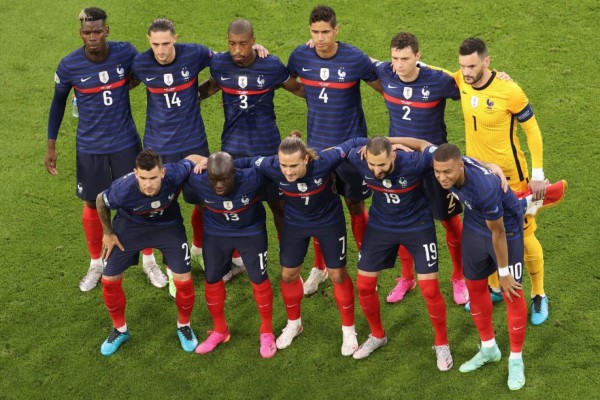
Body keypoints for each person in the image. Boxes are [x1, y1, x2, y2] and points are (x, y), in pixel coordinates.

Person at [44, 7, 165, 292]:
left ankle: (149, 259)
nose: (93, 37)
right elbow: (58, 102)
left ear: (107, 31)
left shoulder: (125, 53)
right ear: (80, 34)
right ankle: (95, 263)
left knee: (140, 195)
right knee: (91, 202)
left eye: (98, 31)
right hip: (90, 147)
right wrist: (51, 145)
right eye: (87, 33)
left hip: (125, 142)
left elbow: (151, 66)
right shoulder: (69, 65)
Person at [236, 132, 365, 356]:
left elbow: (353, 143)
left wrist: (389, 145)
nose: (287, 171)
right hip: (295, 224)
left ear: (306, 159)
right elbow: (246, 161)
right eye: (284, 165)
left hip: (329, 223)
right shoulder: (272, 166)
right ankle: (294, 324)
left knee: (337, 275)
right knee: (288, 275)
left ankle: (349, 330)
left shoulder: (324, 162)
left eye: (293, 165)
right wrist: (209, 162)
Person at [198, 18, 305, 282]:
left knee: (279, 207)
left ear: (253, 41)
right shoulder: (220, 63)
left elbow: (300, 88)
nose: (237, 51)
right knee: (231, 207)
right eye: (232, 44)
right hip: (232, 153)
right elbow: (208, 87)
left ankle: (289, 261)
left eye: (243, 44)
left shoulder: (270, 65)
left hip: (268, 151)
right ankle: (234, 261)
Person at [455, 37, 552, 324]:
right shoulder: (461, 79)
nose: (467, 71)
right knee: (489, 230)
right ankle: (497, 285)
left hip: (512, 178)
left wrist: (537, 175)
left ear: (487, 61)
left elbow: (532, 130)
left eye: (472, 65)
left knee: (523, 234)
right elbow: (434, 72)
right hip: (476, 176)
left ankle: (538, 294)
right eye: (462, 66)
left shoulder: (509, 91)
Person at [287, 5, 382, 295]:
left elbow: (384, 86)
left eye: (325, 32)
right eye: (315, 32)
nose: (320, 38)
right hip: (316, 151)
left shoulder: (354, 58)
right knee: (318, 207)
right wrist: (309, 92)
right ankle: (320, 268)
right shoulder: (300, 56)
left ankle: (367, 266)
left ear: (336, 30)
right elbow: (286, 79)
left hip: (353, 152)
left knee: (356, 206)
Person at [373, 32, 467, 305]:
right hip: (399, 165)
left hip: (436, 165)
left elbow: (471, 85)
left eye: (404, 59)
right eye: (394, 58)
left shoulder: (438, 81)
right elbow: (358, 60)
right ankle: (406, 277)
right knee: (401, 221)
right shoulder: (385, 72)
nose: (399, 65)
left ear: (418, 56)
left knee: (450, 221)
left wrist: (498, 74)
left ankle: (458, 277)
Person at [345, 137, 452, 371]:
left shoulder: (414, 162)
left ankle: (441, 343)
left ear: (393, 155)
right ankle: (377, 335)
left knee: (430, 289)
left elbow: (429, 147)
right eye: (372, 165)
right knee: (363, 285)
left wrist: (397, 141)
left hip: (418, 225)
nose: (376, 170)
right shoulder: (358, 158)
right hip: (381, 226)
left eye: (381, 165)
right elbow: (344, 147)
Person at [132, 18, 214, 295]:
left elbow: (227, 63)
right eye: (155, 44)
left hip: (194, 144)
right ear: (148, 41)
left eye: (166, 43)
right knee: (156, 206)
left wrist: (258, 49)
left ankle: (198, 250)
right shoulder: (140, 63)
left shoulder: (195, 53)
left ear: (175, 39)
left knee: (201, 201)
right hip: (158, 148)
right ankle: (152, 261)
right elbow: (121, 83)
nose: (161, 50)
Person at [95, 150, 206, 356]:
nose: (148, 184)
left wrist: (208, 161)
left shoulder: (175, 173)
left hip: (167, 227)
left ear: (162, 173)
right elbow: (100, 201)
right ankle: (120, 330)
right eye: (143, 178)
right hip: (130, 229)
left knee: (184, 281)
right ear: (135, 173)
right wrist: (108, 233)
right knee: (109, 280)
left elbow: (193, 159)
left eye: (153, 178)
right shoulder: (122, 189)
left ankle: (184, 326)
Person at [185, 152, 277, 358]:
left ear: (235, 173)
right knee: (212, 280)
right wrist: (201, 160)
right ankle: (220, 331)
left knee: (259, 280)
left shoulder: (253, 178)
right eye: (213, 180)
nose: (218, 186)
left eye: (224, 180)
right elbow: (186, 161)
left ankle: (266, 332)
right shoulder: (197, 179)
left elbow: (275, 163)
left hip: (251, 233)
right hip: (216, 234)